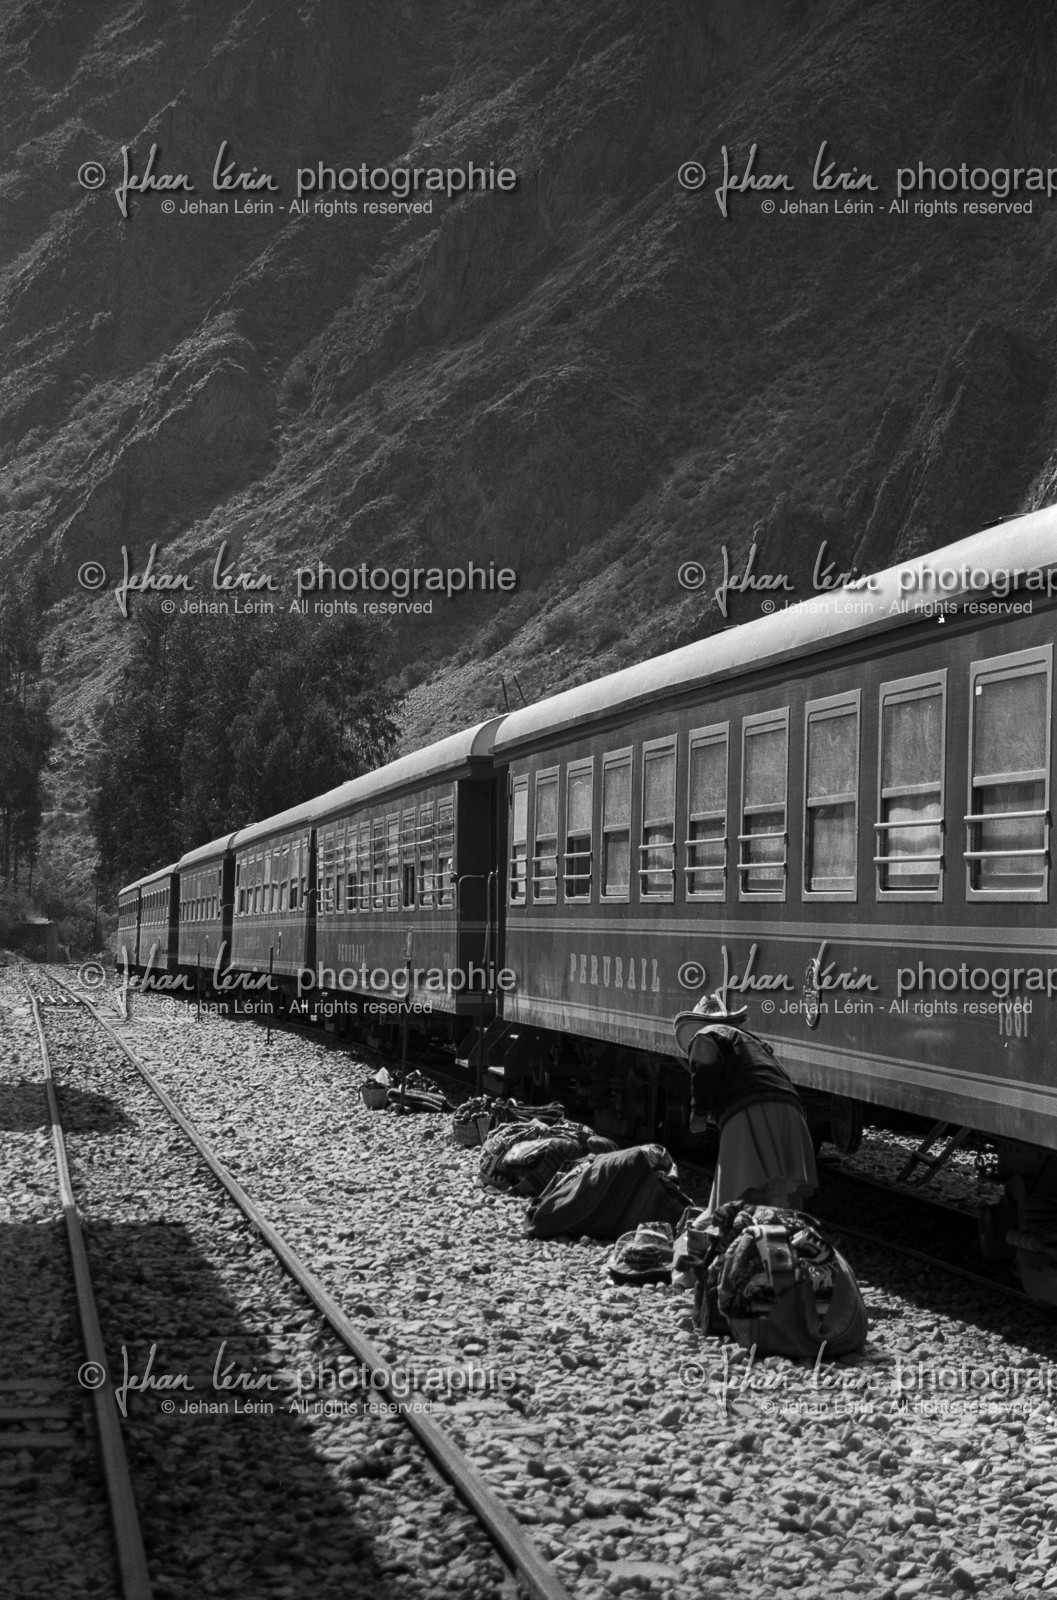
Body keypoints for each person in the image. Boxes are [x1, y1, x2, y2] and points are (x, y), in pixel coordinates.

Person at [672, 992, 817, 1213]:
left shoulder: (706, 1034)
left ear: (699, 1023)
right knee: (782, 1191)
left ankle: (739, 1234)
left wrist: (698, 1112)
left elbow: (706, 1067)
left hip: (750, 1108)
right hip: (791, 1109)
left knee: (743, 1188)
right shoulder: (750, 1041)